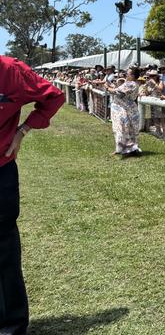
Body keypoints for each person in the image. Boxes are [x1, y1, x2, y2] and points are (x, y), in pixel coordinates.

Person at [0, 56, 65, 335]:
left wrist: (23, 130)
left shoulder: (11, 71)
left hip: (0, 169)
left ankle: (11, 326)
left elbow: (53, 97)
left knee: (3, 248)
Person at [106, 67, 142, 156]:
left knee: (122, 128)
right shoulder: (130, 83)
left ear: (133, 75)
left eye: (128, 73)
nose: (126, 74)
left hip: (124, 109)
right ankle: (125, 149)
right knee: (126, 129)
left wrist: (107, 88)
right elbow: (119, 90)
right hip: (124, 109)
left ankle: (126, 150)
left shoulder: (131, 84)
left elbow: (118, 92)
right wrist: (112, 87)